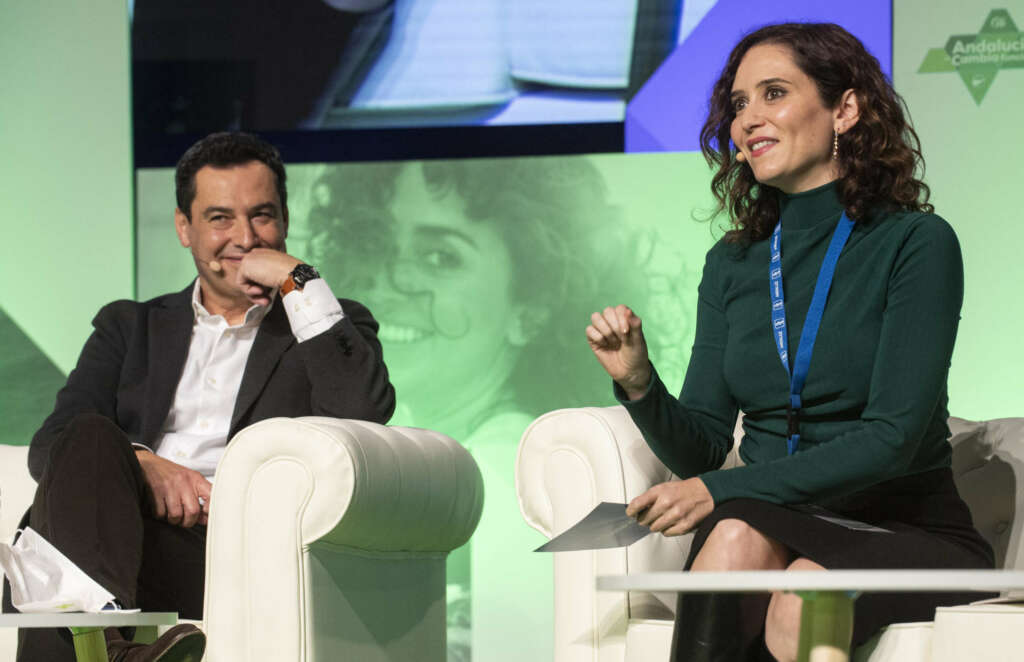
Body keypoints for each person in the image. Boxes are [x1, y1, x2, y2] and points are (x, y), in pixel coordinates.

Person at [586, 22, 993, 662]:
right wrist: (638, 382)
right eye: (739, 104)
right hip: (776, 518)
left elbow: (893, 437)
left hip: (899, 522)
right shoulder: (733, 262)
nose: (749, 119)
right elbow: (704, 445)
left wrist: (720, 491)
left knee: (804, 590)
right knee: (730, 541)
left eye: (773, 93)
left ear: (846, 109)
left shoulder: (915, 243)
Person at [6, 132, 395, 662]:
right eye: (220, 218)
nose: (244, 237)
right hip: (115, 531)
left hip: (227, 551)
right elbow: (50, 446)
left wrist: (297, 279)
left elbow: (365, 417)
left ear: (285, 220)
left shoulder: (323, 323)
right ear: (183, 228)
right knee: (90, 438)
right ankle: (119, 650)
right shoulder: (129, 326)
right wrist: (143, 462)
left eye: (262, 215)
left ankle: (113, 648)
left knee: (48, 569)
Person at [305, 157, 645, 661]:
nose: (394, 279)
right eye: (377, 245)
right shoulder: (447, 448)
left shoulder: (499, 474)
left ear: (529, 309)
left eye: (441, 256)